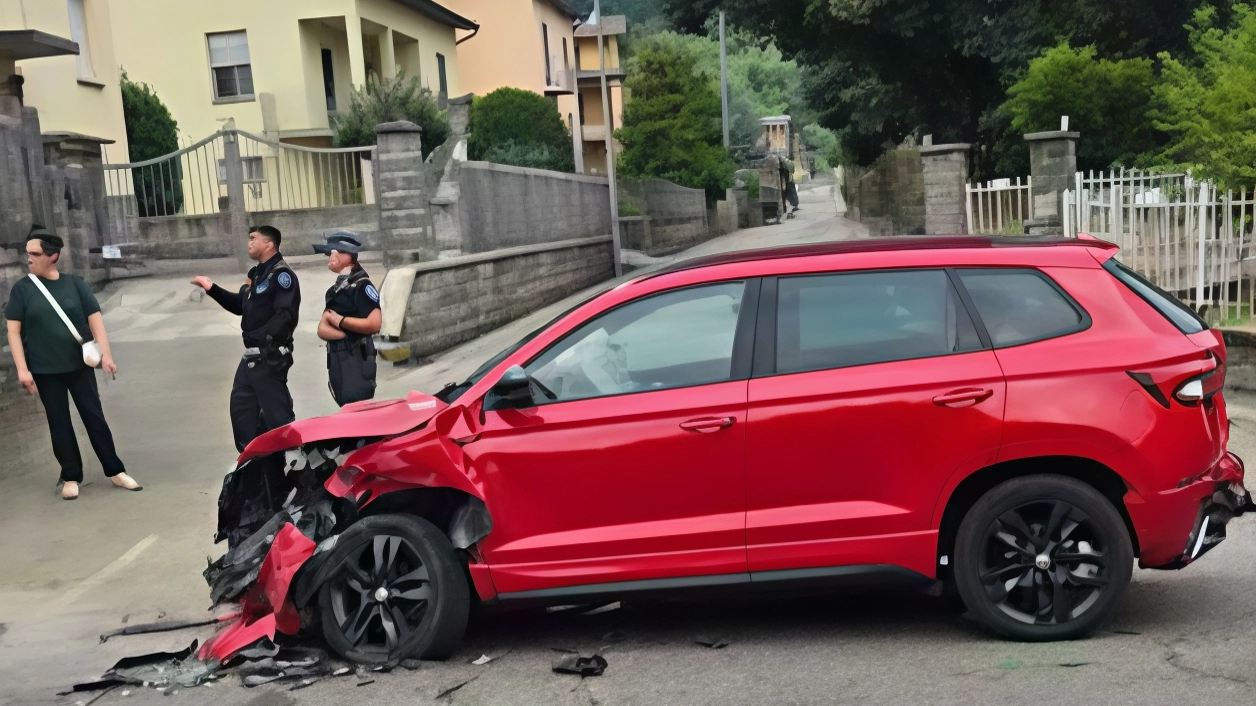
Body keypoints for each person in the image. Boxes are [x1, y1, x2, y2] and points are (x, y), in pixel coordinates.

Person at [4, 227, 141, 499]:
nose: (28, 259)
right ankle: (70, 475)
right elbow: (13, 332)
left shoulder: (75, 284)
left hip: (80, 366)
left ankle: (115, 470)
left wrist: (107, 355)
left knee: (94, 418)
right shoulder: (22, 290)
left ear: (52, 256)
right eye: (27, 253)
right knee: (59, 423)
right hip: (45, 370)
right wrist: (22, 369)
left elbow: (95, 321)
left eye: (35, 253)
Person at [191, 226, 301, 452]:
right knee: (242, 409)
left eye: (254, 239)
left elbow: (285, 316)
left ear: (269, 244)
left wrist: (263, 339)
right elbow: (241, 305)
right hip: (251, 357)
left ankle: (296, 465)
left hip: (269, 356)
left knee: (278, 416)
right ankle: (254, 462)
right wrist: (212, 288)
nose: (249, 243)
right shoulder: (257, 274)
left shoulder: (282, 275)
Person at [313, 231, 381, 406]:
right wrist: (344, 333)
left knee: (359, 410)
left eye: (332, 252)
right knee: (345, 406)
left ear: (347, 254)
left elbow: (374, 324)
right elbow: (322, 328)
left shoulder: (362, 285)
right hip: (338, 359)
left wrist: (340, 321)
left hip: (356, 359)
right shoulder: (334, 290)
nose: (329, 258)